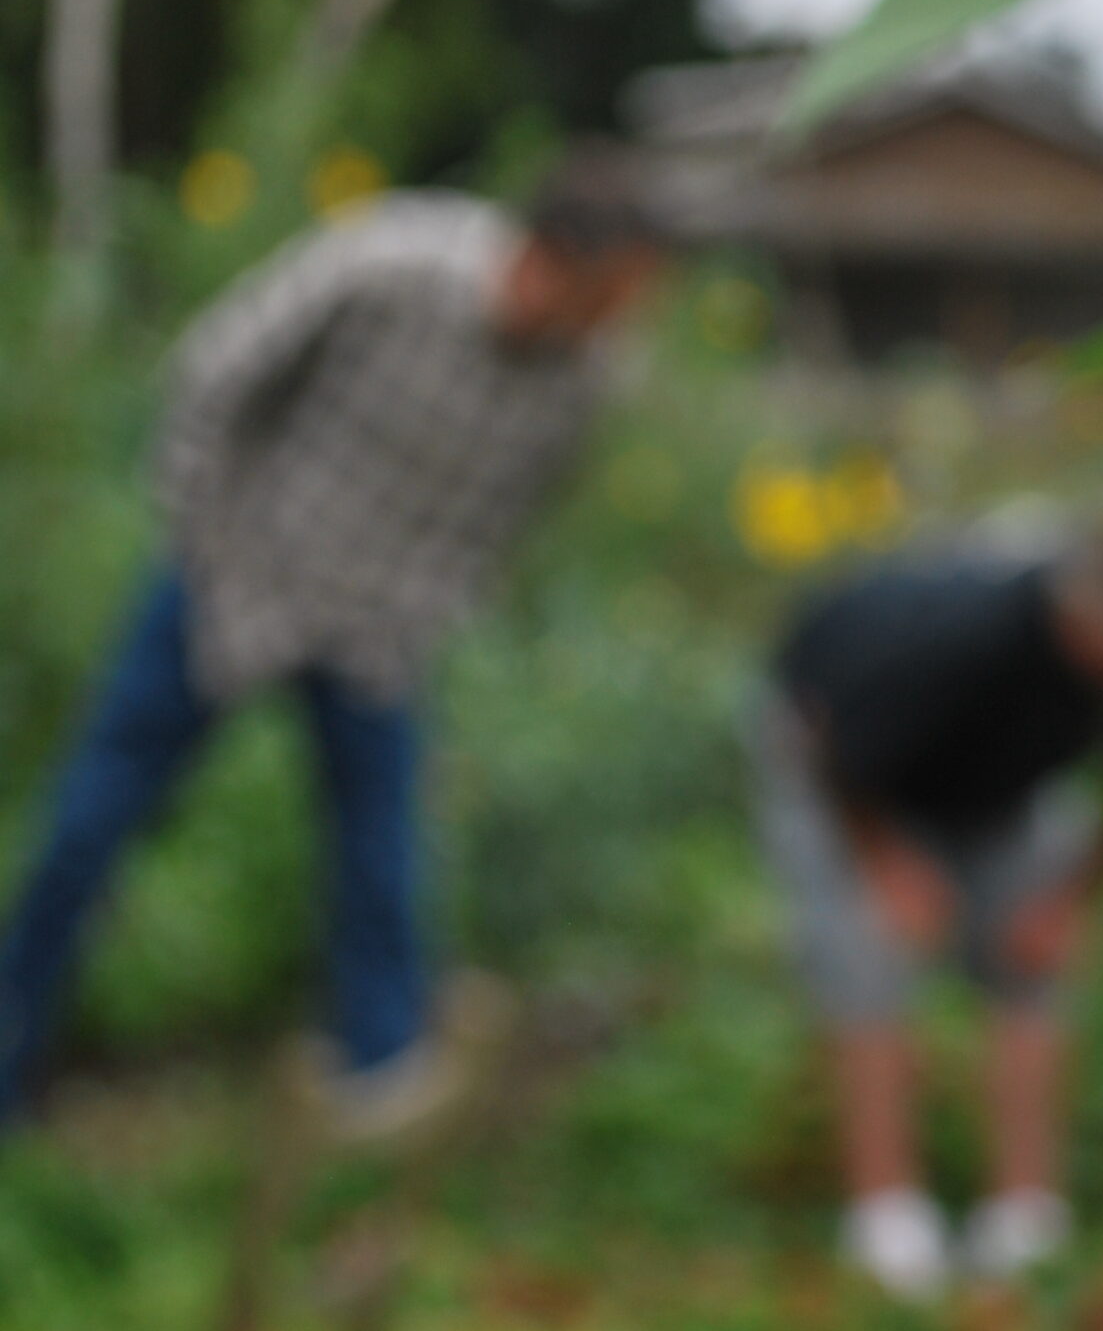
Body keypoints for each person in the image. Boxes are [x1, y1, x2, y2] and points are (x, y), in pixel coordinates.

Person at [0, 159, 664, 1135]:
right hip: (237, 574)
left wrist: (440, 596)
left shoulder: (591, 375)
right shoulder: (389, 264)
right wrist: (208, 542)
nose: (615, 324)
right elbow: (213, 373)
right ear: (545, 261)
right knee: (95, 819)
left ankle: (379, 1099)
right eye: (605, 299)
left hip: (377, 628)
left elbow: (521, 508)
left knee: (382, 858)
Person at [750, 519, 1103, 1298]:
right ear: (1099, 629)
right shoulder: (968, 642)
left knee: (1034, 965)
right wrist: (889, 870)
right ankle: (887, 1228)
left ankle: (1023, 1225)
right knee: (869, 955)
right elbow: (835, 747)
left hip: (1003, 788)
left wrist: (1072, 899)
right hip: (841, 758)